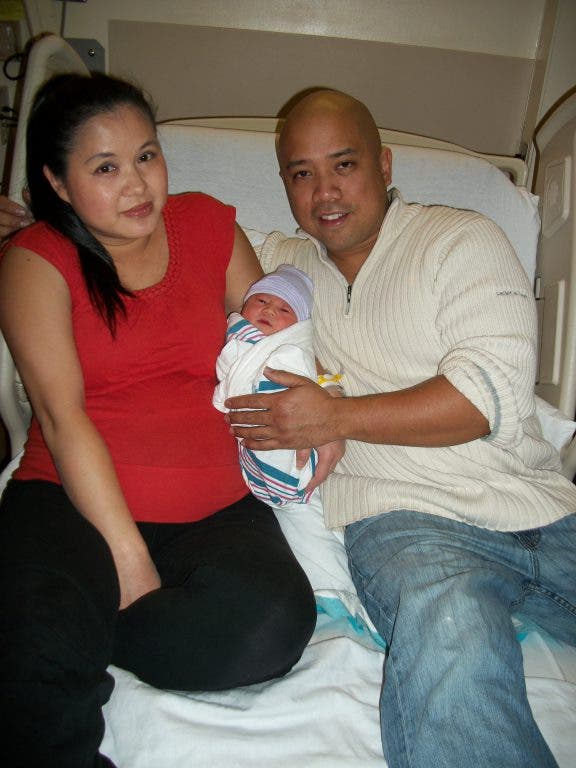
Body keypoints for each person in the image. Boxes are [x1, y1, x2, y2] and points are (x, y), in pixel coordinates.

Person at [224, 89, 576, 768]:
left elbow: (485, 398)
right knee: (451, 625)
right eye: (301, 174)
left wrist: (334, 416)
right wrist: (50, 224)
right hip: (408, 525)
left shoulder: (460, 239)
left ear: (383, 165)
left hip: (542, 509)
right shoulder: (285, 269)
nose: (325, 192)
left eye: (344, 165)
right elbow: (189, 231)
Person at [0, 73, 316, 768]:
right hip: (71, 500)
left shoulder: (208, 226)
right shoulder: (34, 260)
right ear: (56, 182)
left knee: (270, 627)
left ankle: (84, 629)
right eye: (105, 168)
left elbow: (271, 347)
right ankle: (55, 638)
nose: (137, 183)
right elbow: (61, 416)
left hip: (215, 509)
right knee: (35, 667)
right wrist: (128, 560)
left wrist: (317, 423)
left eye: (146, 155)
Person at [214, 264, 339, 506]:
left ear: (297, 327)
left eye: (284, 309)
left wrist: (332, 403)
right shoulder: (237, 337)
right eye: (261, 300)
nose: (269, 310)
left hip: (298, 454)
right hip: (248, 460)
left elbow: (310, 380)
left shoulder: (292, 352)